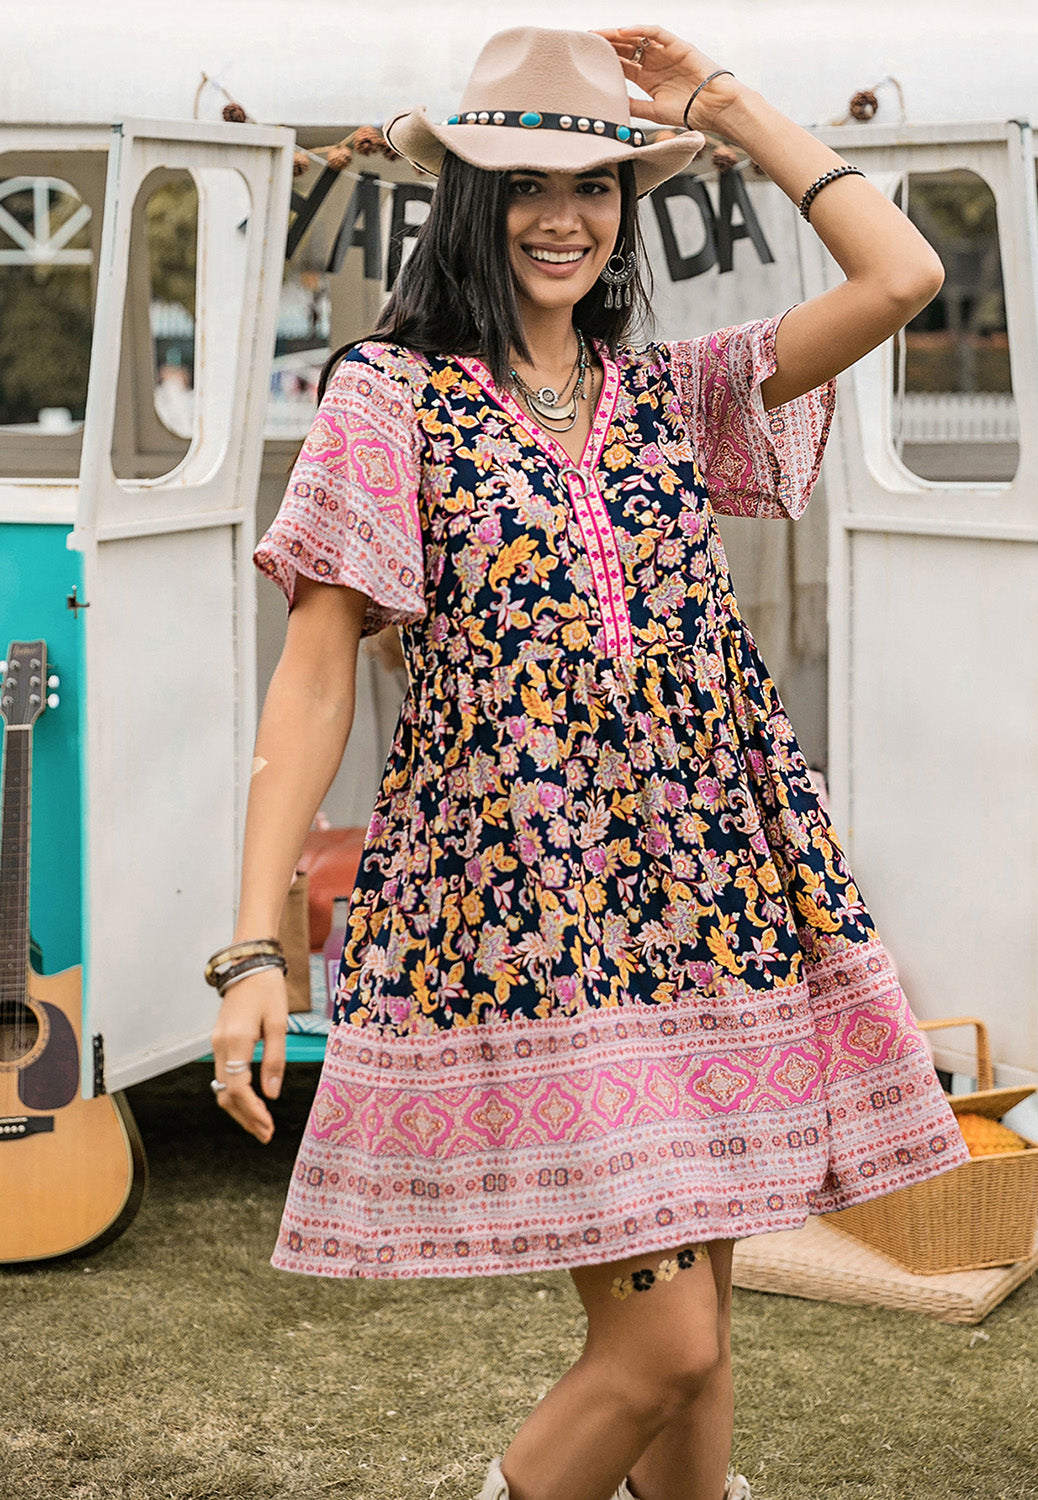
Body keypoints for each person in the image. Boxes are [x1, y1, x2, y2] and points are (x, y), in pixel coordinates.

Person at [208, 23, 968, 1500]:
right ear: (466, 204)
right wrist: (252, 940)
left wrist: (725, 107)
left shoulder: (674, 395)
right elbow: (310, 678)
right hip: (531, 914)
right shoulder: (389, 397)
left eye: (598, 186)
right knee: (661, 1349)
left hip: (717, 899)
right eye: (523, 183)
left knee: (710, 1346)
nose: (564, 214)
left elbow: (903, 277)